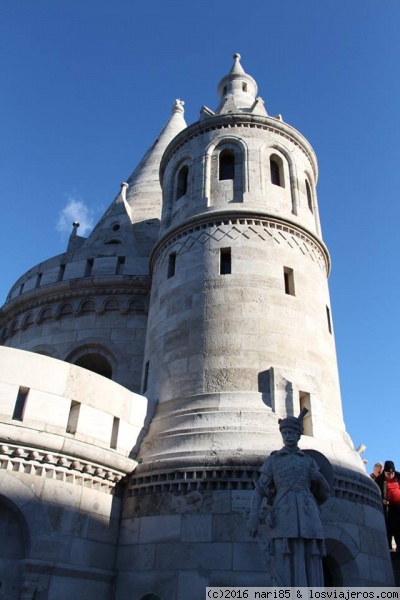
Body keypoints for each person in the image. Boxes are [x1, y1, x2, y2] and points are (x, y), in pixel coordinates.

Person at [247, 410, 330, 586]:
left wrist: (319, 478)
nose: (288, 436)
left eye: (292, 432)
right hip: (283, 513)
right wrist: (253, 517)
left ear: (299, 435)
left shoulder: (309, 461)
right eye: (285, 433)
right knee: (283, 560)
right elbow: (259, 490)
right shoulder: (273, 460)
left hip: (308, 514)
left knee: (309, 557)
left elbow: (324, 493)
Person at [375, 460, 400, 551]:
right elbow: (376, 493)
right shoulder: (379, 480)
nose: (390, 475)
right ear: (384, 472)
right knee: (390, 526)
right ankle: (389, 547)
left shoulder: (398, 476)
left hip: (398, 505)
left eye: (392, 473)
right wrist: (382, 500)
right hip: (388, 507)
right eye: (388, 473)